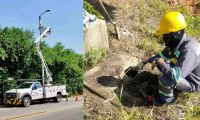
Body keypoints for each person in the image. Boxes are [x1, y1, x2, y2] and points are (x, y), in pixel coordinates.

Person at [136, 11, 200, 105]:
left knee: (165, 78)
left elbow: (176, 76)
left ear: (176, 34)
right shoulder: (177, 43)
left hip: (192, 82)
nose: (163, 38)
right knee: (160, 63)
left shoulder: (189, 49)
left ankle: (168, 100)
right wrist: (145, 61)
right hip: (184, 72)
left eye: (165, 35)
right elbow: (163, 55)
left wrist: (162, 64)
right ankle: (170, 87)